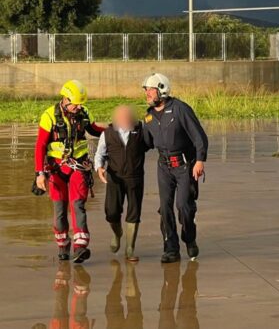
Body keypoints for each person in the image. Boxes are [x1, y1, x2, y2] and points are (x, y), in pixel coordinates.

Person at [34, 80, 104, 263]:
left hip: (79, 167)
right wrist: (39, 173)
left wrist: (114, 130)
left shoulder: (84, 113)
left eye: (81, 103)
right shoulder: (49, 116)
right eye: (75, 103)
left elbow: (95, 130)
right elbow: (41, 145)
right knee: (59, 213)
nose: (79, 106)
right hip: (56, 170)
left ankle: (80, 247)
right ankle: (63, 245)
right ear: (65, 99)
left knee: (78, 204)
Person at [141, 73, 208, 263]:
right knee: (165, 208)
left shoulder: (180, 110)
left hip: (185, 166)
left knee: (183, 206)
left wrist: (200, 160)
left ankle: (189, 237)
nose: (147, 93)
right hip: (164, 168)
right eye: (146, 90)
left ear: (161, 89)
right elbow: (145, 143)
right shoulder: (148, 117)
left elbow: (199, 136)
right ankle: (171, 248)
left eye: (150, 90)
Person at [95, 105, 147, 262]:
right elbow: (100, 154)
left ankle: (130, 249)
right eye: (122, 117)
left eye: (128, 117)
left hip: (135, 177)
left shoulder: (141, 131)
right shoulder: (107, 133)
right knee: (111, 212)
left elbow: (156, 143)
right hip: (114, 178)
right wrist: (99, 168)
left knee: (134, 212)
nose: (125, 120)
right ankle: (117, 234)